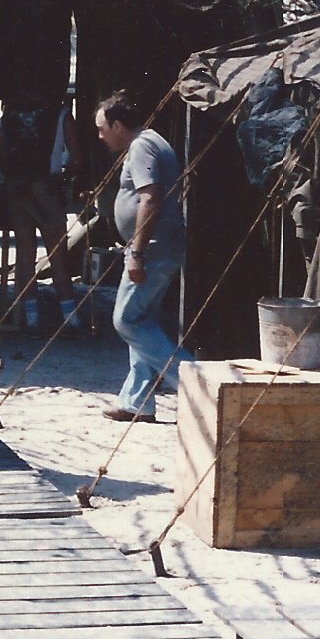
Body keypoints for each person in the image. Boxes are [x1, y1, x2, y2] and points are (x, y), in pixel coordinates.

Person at [94, 91, 192, 422]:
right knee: (143, 320)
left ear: (118, 125)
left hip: (152, 248)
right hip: (159, 245)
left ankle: (195, 385)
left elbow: (150, 198)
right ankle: (137, 400)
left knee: (126, 319)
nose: (100, 136)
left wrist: (135, 252)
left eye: (102, 128)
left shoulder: (141, 146)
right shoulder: (152, 141)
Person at [0, 97, 80, 334]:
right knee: (57, 256)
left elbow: (2, 152)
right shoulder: (60, 112)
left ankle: (31, 318)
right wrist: (63, 180)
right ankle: (70, 318)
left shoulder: (10, 111)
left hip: (17, 188)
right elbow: (76, 158)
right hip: (46, 189)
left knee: (25, 256)